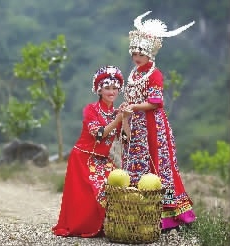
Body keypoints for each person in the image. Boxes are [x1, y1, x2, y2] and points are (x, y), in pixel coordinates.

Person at [122, 11, 196, 232]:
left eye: (141, 54)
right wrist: (127, 111)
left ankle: (168, 217)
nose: (136, 57)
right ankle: (138, 212)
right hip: (135, 126)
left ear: (150, 55)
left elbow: (156, 102)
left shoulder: (155, 75)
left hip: (153, 127)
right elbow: (132, 98)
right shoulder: (135, 73)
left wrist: (134, 107)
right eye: (134, 52)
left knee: (158, 166)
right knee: (135, 168)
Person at [52, 65, 131, 237]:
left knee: (119, 186)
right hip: (83, 157)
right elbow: (99, 135)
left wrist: (124, 119)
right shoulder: (91, 110)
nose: (112, 92)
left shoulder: (117, 113)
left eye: (115, 88)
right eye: (107, 88)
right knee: (95, 192)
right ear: (99, 90)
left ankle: (108, 226)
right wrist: (118, 118)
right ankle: (87, 227)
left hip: (103, 159)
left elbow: (125, 140)